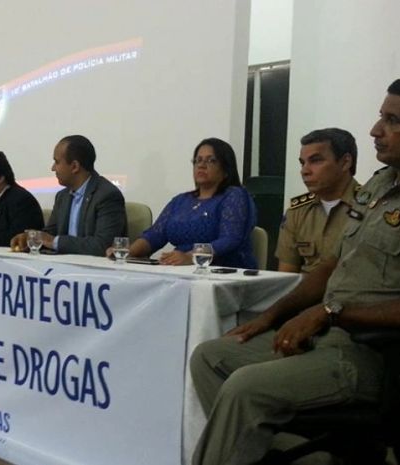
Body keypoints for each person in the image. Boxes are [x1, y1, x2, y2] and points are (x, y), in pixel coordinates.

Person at [189, 79, 400, 465]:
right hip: (327, 332)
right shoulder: (381, 185)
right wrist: (270, 316)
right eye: (380, 117)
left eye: (392, 121)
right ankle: (294, 455)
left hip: (371, 352)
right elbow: (332, 264)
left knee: (245, 388)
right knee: (209, 356)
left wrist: (329, 313)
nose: (375, 130)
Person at [111, 138, 256, 268]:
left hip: (222, 271)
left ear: (226, 170)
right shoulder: (181, 200)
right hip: (182, 270)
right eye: (198, 160)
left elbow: (230, 239)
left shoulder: (234, 196)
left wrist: (191, 257)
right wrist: (127, 252)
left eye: (211, 160)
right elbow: (155, 235)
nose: (201, 165)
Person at [10, 135, 126, 256]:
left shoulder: (107, 195)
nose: (53, 168)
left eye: (57, 162)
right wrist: (31, 239)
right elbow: (49, 235)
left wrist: (54, 241)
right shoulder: (62, 196)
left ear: (74, 166)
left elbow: (102, 245)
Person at [276, 128, 360, 273]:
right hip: (305, 287)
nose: (305, 171)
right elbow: (286, 275)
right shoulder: (297, 211)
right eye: (302, 163)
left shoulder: (370, 208)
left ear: (345, 162)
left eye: (315, 161)